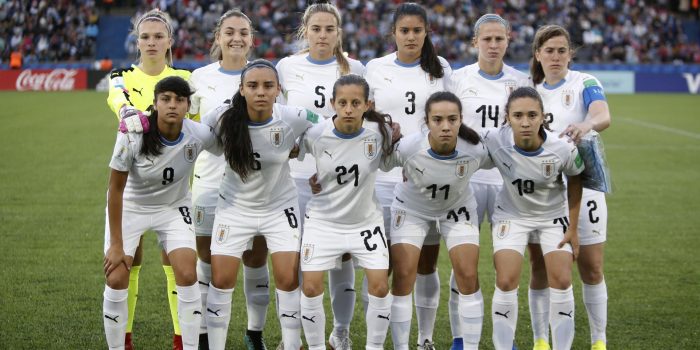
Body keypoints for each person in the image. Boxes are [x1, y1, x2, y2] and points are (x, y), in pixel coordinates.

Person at [204, 59, 319, 350]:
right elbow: (192, 136)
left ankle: (291, 345)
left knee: (287, 278)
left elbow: (329, 126)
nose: (261, 92)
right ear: (241, 89)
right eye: (252, 86)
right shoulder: (221, 117)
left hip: (279, 207)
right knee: (221, 280)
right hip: (234, 208)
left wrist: (303, 145)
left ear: (278, 89)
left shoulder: (292, 116)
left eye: (268, 85)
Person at [275, 2, 365, 347]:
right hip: (294, 177)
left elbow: (361, 124)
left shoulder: (354, 68)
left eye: (330, 29)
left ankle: (340, 332)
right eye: (316, 29)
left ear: (338, 32)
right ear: (305, 32)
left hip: (339, 179)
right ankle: (293, 335)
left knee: (341, 256)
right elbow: (278, 118)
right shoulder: (287, 67)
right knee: (295, 257)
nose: (323, 35)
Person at [103, 76, 216, 350]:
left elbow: (231, 144)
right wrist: (117, 245)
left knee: (188, 274)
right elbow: (115, 190)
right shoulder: (132, 132)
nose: (172, 105)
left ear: (189, 105)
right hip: (132, 206)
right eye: (165, 99)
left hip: (174, 208)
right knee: (116, 277)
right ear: (155, 104)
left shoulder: (198, 134)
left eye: (179, 100)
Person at [364, 4, 452, 348]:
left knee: (424, 264)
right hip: (383, 180)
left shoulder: (441, 68)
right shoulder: (376, 68)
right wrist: (385, 129)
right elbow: (365, 117)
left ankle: (425, 337)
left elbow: (452, 117)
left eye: (417, 30)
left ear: (426, 32)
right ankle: (377, 337)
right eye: (405, 31)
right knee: (379, 264)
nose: (411, 36)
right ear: (394, 34)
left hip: (426, 182)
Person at [106, 9, 191, 349]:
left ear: (170, 41)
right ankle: (123, 339)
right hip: (134, 184)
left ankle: (181, 339)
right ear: (136, 41)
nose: (152, 42)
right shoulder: (122, 76)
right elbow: (119, 103)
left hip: (177, 187)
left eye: (159, 36)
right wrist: (132, 113)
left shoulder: (186, 77)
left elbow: (194, 121)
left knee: (179, 264)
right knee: (129, 260)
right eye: (145, 36)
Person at [187, 9, 271, 349]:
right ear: (218, 38)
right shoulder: (199, 77)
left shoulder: (265, 74)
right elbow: (189, 130)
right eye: (230, 32)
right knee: (206, 261)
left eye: (243, 33)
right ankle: (205, 336)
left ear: (252, 39)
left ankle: (254, 334)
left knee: (255, 258)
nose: (237, 38)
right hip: (209, 183)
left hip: (255, 185)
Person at [447, 13, 530, 350]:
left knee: (505, 266)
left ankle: (503, 341)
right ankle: (460, 338)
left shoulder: (521, 81)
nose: (493, 45)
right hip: (465, 182)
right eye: (487, 39)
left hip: (506, 184)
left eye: (499, 39)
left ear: (508, 40)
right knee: (462, 265)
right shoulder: (457, 79)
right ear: (475, 42)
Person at [528, 24, 612, 350]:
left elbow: (602, 114)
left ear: (570, 54)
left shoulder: (585, 82)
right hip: (542, 189)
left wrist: (586, 124)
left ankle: (598, 341)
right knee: (540, 267)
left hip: (585, 184)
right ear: (538, 54)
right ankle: (540, 340)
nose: (556, 56)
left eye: (562, 50)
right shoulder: (529, 89)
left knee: (591, 267)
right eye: (549, 50)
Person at [387, 91, 492, 350]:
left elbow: (511, 159)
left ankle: (466, 346)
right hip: (411, 209)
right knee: (403, 275)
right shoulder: (410, 147)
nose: (445, 126)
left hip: (456, 209)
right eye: (437, 120)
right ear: (426, 121)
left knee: (467, 275)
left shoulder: (476, 149)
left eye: (452, 119)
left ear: (460, 120)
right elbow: (373, 161)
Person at [482, 86, 583, 350]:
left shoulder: (561, 148)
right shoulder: (494, 139)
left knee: (561, 279)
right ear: (507, 117)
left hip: (552, 216)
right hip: (512, 215)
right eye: (517, 116)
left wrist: (573, 227)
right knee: (505, 280)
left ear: (543, 117)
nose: (525, 122)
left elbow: (576, 177)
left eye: (532, 115)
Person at [298, 74, 394, 350]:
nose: (349, 109)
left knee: (379, 286)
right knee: (311, 286)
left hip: (365, 222)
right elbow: (290, 154)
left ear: (367, 104)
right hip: (323, 222)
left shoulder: (379, 134)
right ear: (332, 104)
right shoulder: (316, 134)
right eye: (342, 103)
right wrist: (314, 178)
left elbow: (397, 158)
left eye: (355, 103)